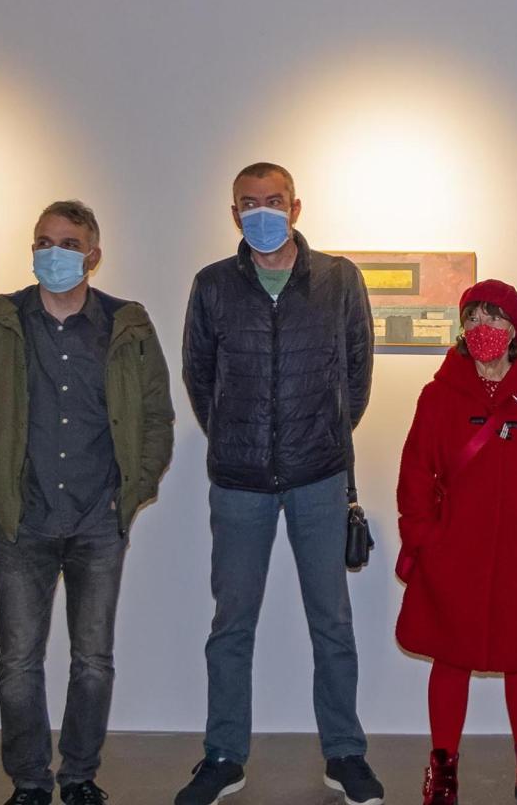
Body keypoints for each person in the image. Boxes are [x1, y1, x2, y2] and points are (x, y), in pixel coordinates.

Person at [0, 200, 176, 805]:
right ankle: (27, 781)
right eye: (44, 241)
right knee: (18, 665)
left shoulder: (128, 323)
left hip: (100, 521)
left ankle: (78, 777)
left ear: (93, 255)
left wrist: (137, 484)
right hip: (24, 521)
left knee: (93, 661)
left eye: (68, 243)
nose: (54, 253)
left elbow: (156, 416)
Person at [177, 162, 383, 805]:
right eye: (247, 202)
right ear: (232, 211)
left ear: (296, 206)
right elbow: (198, 376)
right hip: (238, 483)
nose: (260, 211)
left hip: (320, 478)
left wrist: (316, 436)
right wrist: (241, 436)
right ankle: (223, 755)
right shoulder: (212, 285)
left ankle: (345, 753)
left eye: (272, 200)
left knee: (333, 624)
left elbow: (356, 372)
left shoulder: (339, 280)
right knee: (231, 625)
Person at [396, 281, 517, 805]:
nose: (484, 329)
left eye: (496, 319)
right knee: (449, 659)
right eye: (474, 318)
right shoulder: (437, 397)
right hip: (453, 557)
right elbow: (415, 475)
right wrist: (426, 541)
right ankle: (443, 766)